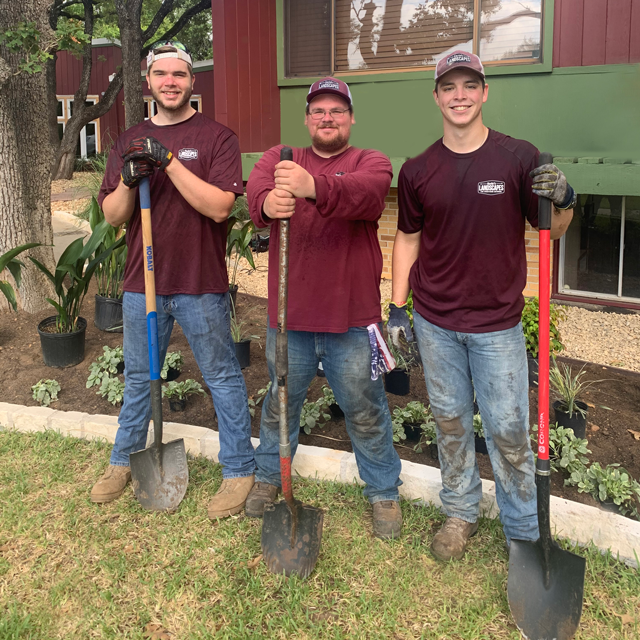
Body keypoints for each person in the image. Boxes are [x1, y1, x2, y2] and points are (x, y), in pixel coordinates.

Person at [388, 51, 575, 560]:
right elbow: (407, 239)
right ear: (436, 97)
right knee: (449, 421)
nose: (460, 95)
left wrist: (564, 199)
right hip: (435, 321)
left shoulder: (519, 158)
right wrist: (397, 307)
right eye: (449, 87)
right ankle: (460, 511)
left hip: (497, 325)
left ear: (485, 91)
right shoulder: (418, 170)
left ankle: (522, 530)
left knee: (510, 429)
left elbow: (551, 232)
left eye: (470, 85)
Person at [91, 41, 256, 519]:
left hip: (200, 281)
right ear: (149, 82)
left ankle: (239, 470)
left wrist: (168, 162)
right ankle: (122, 461)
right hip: (142, 284)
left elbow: (221, 206)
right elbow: (112, 217)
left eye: (178, 74)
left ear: (191, 81)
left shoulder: (217, 137)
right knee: (140, 379)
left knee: (221, 377)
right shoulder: (129, 138)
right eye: (160, 74)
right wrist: (127, 178)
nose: (170, 82)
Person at [245, 77, 403, 539]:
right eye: (318, 111)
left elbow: (366, 196)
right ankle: (271, 478)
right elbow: (256, 197)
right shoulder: (280, 158)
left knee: (366, 407)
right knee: (280, 404)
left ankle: (382, 492)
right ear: (307, 119)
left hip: (352, 320)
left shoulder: (370, 162)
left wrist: (311, 185)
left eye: (337, 110)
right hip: (288, 318)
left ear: (351, 118)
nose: (327, 118)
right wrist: (269, 202)